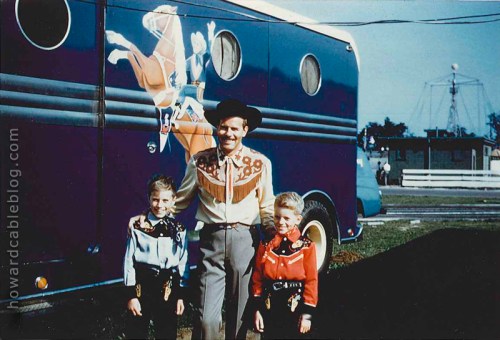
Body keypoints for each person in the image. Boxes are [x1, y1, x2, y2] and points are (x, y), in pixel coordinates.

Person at [129, 99, 276, 339]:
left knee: (240, 314)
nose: (228, 133)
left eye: (234, 128)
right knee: (206, 317)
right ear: (217, 128)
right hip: (212, 242)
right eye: (224, 127)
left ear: (244, 130)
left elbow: (267, 205)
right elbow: (179, 201)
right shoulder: (199, 161)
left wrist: (273, 233)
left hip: (245, 243)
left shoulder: (260, 164)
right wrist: (147, 219)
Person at [124, 174, 189, 339]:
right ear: (149, 198)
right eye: (155, 199)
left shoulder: (179, 229)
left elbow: (183, 263)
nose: (159, 205)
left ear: (173, 200)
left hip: (167, 285)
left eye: (165, 200)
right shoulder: (138, 227)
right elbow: (128, 262)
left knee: (166, 331)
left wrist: (181, 295)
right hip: (142, 284)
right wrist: (131, 295)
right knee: (136, 330)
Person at [252, 192, 318, 339]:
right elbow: (257, 277)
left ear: (298, 219)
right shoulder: (266, 245)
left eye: (287, 218)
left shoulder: (306, 246)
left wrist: (307, 314)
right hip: (270, 307)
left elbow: (311, 281)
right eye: (277, 216)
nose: (281, 222)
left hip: (295, 307)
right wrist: (257, 309)